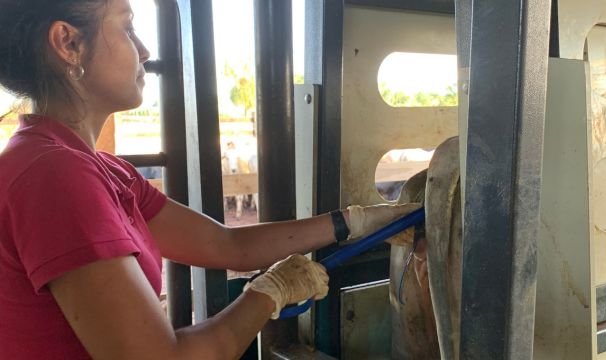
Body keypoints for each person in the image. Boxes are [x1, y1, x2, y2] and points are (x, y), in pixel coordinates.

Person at [0, 1, 420, 359]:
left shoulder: (103, 169)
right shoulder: (52, 174)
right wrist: (267, 294)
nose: (144, 50)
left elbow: (228, 245)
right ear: (68, 43)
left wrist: (356, 222)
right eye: (127, 28)